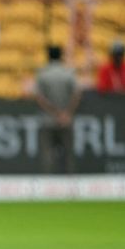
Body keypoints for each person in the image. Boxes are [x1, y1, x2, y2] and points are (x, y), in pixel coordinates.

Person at [34, 45, 81, 175]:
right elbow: (77, 94)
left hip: (47, 120)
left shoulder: (42, 74)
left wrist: (55, 113)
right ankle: (70, 183)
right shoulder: (68, 73)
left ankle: (48, 184)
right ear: (60, 56)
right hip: (66, 120)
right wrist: (66, 113)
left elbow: (39, 98)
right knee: (68, 153)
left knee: (47, 154)